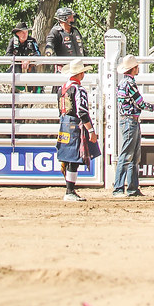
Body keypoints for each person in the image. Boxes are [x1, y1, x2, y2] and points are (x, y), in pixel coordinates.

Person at [113, 54, 154, 198]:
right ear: (133, 68)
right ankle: (120, 188)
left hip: (130, 120)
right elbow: (139, 102)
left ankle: (132, 188)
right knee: (128, 155)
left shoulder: (125, 83)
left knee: (132, 155)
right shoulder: (129, 84)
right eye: (136, 67)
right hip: (130, 121)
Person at [56, 58, 99, 202]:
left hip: (64, 122)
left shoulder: (62, 89)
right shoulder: (78, 89)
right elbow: (82, 111)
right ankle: (70, 191)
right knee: (74, 157)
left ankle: (69, 189)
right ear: (81, 74)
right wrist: (91, 130)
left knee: (68, 157)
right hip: (74, 124)